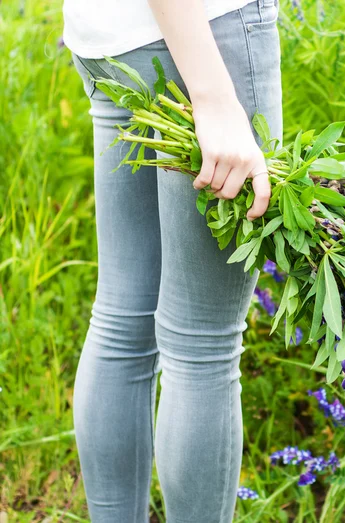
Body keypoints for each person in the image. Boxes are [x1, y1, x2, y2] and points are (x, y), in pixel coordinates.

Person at [62, 0, 282, 520]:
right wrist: (213, 96)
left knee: (123, 321)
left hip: (111, 35)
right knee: (202, 348)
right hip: (204, 35)